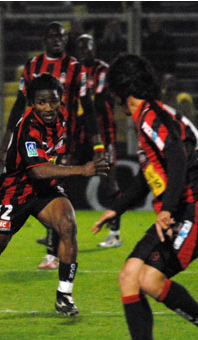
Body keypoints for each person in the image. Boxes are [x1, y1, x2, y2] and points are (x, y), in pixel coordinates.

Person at [92, 54, 198, 340]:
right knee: (129, 276)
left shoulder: (151, 114)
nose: (112, 100)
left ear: (121, 89)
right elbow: (148, 176)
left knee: (150, 279)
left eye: (112, 92)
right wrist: (118, 207)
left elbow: (178, 161)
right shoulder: (148, 116)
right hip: (178, 210)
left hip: (195, 209)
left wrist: (166, 209)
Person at [0, 74, 110, 323]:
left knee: (68, 224)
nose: (48, 107)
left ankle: (64, 295)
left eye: (53, 101)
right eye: (41, 102)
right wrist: (82, 169)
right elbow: (37, 170)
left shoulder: (63, 117)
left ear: (60, 100)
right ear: (32, 103)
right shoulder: (28, 127)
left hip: (44, 189)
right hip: (14, 191)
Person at [0, 21, 104, 273]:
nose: (57, 40)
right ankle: (51, 248)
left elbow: (88, 107)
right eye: (52, 36)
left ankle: (52, 253)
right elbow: (18, 103)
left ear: (66, 40)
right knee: (40, 187)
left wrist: (97, 142)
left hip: (64, 139)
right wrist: (7, 138)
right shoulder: (32, 67)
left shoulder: (76, 68)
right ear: (44, 39)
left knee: (54, 189)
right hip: (34, 137)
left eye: (61, 36)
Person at [74, 34, 122, 248]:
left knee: (108, 181)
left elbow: (100, 101)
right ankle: (54, 234)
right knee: (59, 177)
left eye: (89, 45)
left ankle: (115, 233)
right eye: (81, 47)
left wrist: (79, 105)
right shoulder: (74, 70)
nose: (85, 50)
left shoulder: (102, 70)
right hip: (79, 134)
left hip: (103, 134)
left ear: (95, 47)